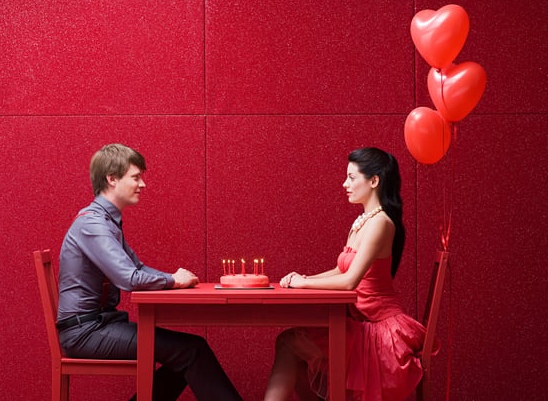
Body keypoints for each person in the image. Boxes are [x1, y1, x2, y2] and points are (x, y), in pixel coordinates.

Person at [57, 143, 242, 401]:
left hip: (100, 325)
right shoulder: (93, 224)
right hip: (85, 332)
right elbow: (129, 278)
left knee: (187, 353)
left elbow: (137, 268)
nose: (142, 184)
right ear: (112, 179)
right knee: (191, 351)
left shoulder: (106, 222)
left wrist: (174, 279)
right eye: (136, 177)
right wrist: (173, 281)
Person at [264, 147, 430, 401]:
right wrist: (305, 279)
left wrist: (302, 285)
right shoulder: (364, 220)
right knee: (289, 343)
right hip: (359, 317)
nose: (345, 184)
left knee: (289, 343)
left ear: (374, 181)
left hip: (377, 326)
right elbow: (342, 269)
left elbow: (350, 281)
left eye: (352, 177)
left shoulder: (381, 223)